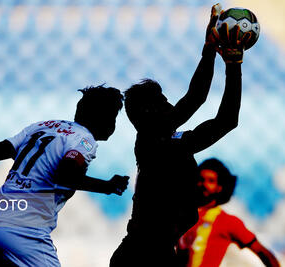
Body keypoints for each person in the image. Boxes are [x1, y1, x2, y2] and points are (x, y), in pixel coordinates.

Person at [110, 4, 253, 267]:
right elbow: (196, 101)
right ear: (148, 112)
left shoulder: (166, 141)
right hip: (143, 255)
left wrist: (217, 53)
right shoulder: (154, 141)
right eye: (163, 101)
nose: (170, 105)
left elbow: (221, 118)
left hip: (154, 252)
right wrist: (229, 61)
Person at [0, 85, 129, 266]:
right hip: (26, 237)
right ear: (102, 118)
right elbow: (66, 175)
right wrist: (108, 186)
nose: (113, 124)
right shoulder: (84, 140)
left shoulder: (41, 127)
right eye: (113, 117)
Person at [177, 158, 280, 267]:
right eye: (200, 179)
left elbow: (263, 252)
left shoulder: (228, 222)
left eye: (211, 181)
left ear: (220, 188)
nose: (203, 184)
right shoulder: (183, 213)